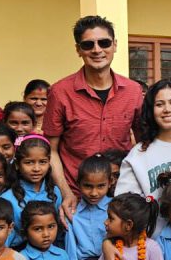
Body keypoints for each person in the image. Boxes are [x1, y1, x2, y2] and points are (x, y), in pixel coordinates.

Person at [42, 15, 144, 218]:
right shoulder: (60, 91)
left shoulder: (133, 91)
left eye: (104, 43)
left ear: (115, 45)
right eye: (88, 45)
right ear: (78, 49)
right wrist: (66, 193)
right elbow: (51, 150)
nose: (97, 50)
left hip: (121, 197)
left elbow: (143, 144)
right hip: (76, 201)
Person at [115, 79, 171, 237]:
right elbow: (124, 205)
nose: (167, 109)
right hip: (152, 248)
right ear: (151, 110)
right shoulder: (139, 153)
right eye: (159, 105)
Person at [0, 135, 62, 228]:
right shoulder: (7, 198)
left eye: (42, 162)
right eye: (29, 162)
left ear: (49, 162)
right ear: (17, 164)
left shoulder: (54, 192)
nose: (36, 169)